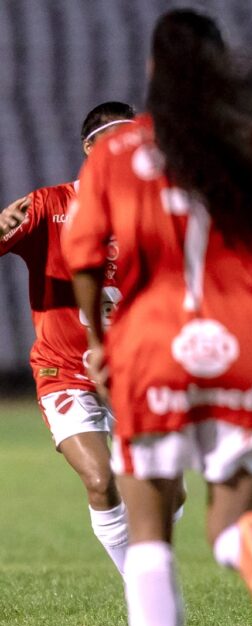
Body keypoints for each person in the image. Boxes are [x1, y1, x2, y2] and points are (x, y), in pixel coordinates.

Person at [62, 9, 252, 626]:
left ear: (153, 70)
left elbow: (84, 255)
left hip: (151, 343)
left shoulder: (116, 153)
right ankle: (247, 540)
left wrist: (96, 337)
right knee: (229, 517)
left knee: (148, 536)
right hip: (248, 340)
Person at [0, 102, 142, 574]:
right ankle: (138, 587)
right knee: (101, 480)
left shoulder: (148, 216)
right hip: (63, 370)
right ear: (90, 149)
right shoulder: (48, 206)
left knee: (169, 491)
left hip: (130, 370)